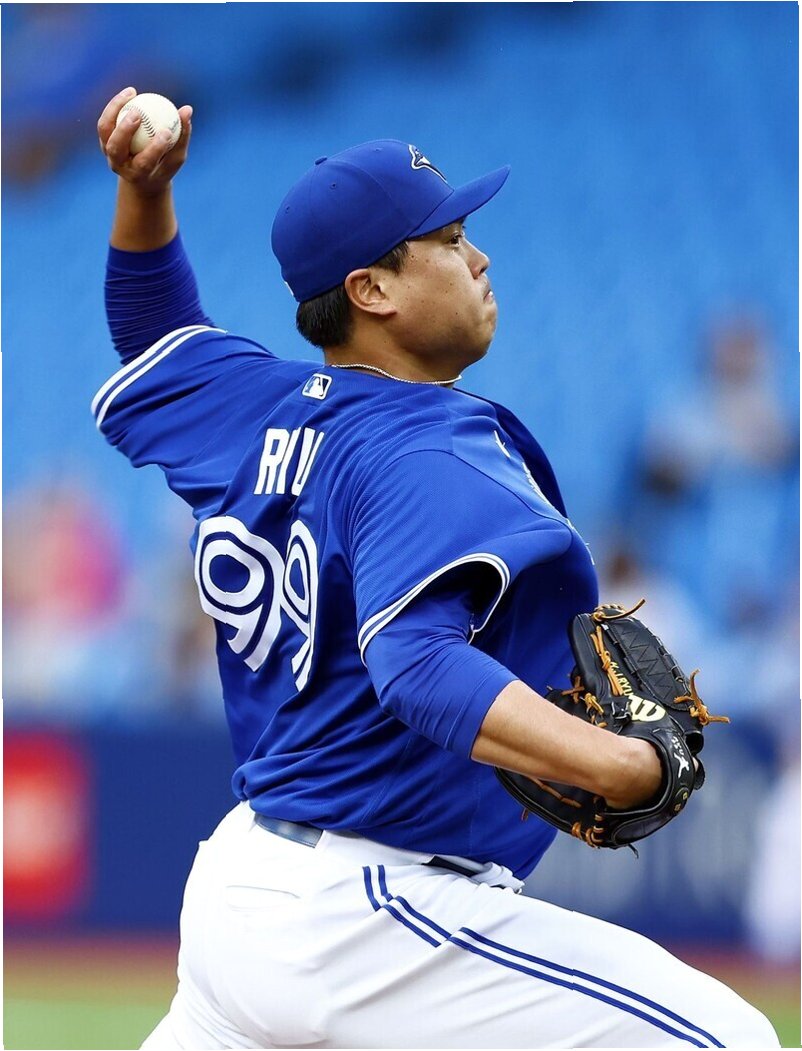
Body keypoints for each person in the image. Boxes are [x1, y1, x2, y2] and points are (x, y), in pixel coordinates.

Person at [95, 87, 778, 1050]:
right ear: (373, 290)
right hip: (367, 916)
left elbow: (154, 333)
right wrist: (621, 764)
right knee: (726, 1039)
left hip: (245, 888)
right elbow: (416, 665)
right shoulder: (422, 445)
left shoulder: (256, 405)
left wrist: (144, 191)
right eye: (450, 240)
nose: (480, 257)